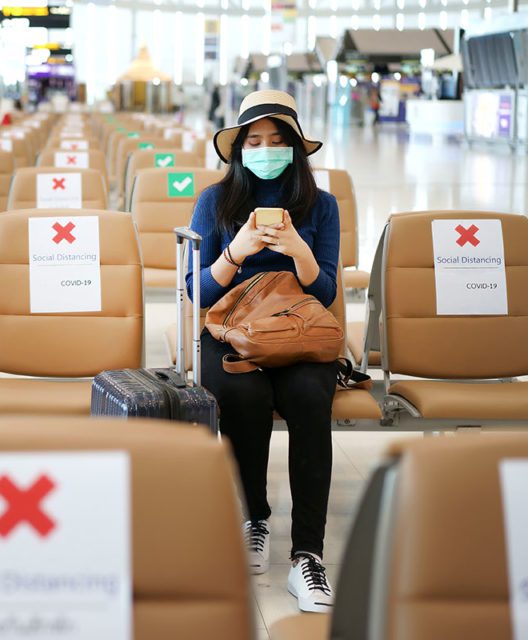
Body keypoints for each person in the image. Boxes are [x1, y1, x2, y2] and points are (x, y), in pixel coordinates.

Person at [186, 90, 340, 614]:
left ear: (296, 149)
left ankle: (307, 554)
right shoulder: (214, 201)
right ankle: (255, 516)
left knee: (310, 397)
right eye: (254, 140)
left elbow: (325, 294)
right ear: (238, 148)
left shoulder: (323, 206)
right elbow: (198, 292)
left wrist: (298, 249)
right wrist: (237, 252)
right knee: (240, 393)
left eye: (278, 141)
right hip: (231, 330)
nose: (266, 148)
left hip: (299, 330)